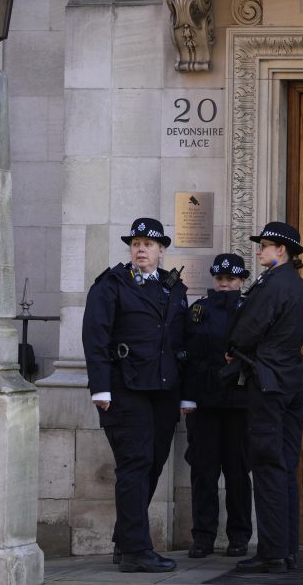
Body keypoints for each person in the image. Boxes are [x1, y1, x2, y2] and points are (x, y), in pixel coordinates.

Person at [82, 217, 188, 574]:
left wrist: (185, 394)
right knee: (135, 465)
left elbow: (181, 345)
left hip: (163, 390)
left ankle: (124, 540)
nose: (140, 249)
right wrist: (100, 387)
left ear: (161, 250)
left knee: (153, 464)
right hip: (126, 389)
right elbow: (95, 338)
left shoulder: (175, 288)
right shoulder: (110, 285)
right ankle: (136, 551)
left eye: (148, 244)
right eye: (136, 243)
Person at [227, 222, 303, 574]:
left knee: (266, 466)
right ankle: (286, 549)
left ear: (282, 250)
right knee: (284, 467)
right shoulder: (298, 286)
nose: (259, 251)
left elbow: (248, 329)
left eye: (264, 245)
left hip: (268, 382)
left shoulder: (273, 284)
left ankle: (272, 553)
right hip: (290, 380)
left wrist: (233, 348)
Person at [179, 253, 253, 559]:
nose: (225, 285)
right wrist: (187, 396)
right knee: (204, 473)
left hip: (239, 403)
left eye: (231, 280)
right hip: (205, 402)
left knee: (237, 473)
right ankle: (203, 536)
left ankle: (238, 536)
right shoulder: (199, 309)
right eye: (220, 280)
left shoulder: (250, 309)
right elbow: (188, 356)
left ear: (241, 281)